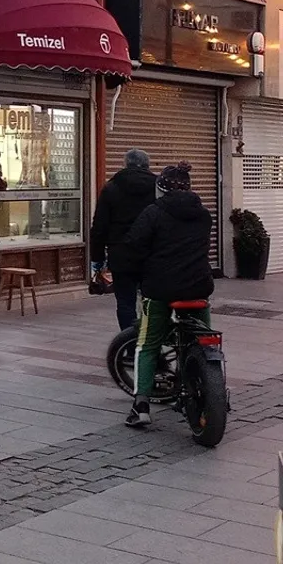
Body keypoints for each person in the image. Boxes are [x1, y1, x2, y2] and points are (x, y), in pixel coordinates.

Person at [110, 162, 213, 428]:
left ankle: (141, 407)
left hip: (160, 290)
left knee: (147, 344)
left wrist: (130, 272)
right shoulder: (204, 216)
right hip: (199, 288)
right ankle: (208, 381)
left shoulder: (153, 213)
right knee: (206, 341)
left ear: (161, 189)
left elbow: (133, 247)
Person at [89, 149, 157, 330]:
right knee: (153, 301)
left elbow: (99, 226)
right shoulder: (158, 188)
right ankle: (149, 338)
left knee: (125, 302)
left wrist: (97, 259)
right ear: (147, 165)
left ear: (125, 164)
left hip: (121, 255)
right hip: (152, 254)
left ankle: (128, 339)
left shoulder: (111, 188)